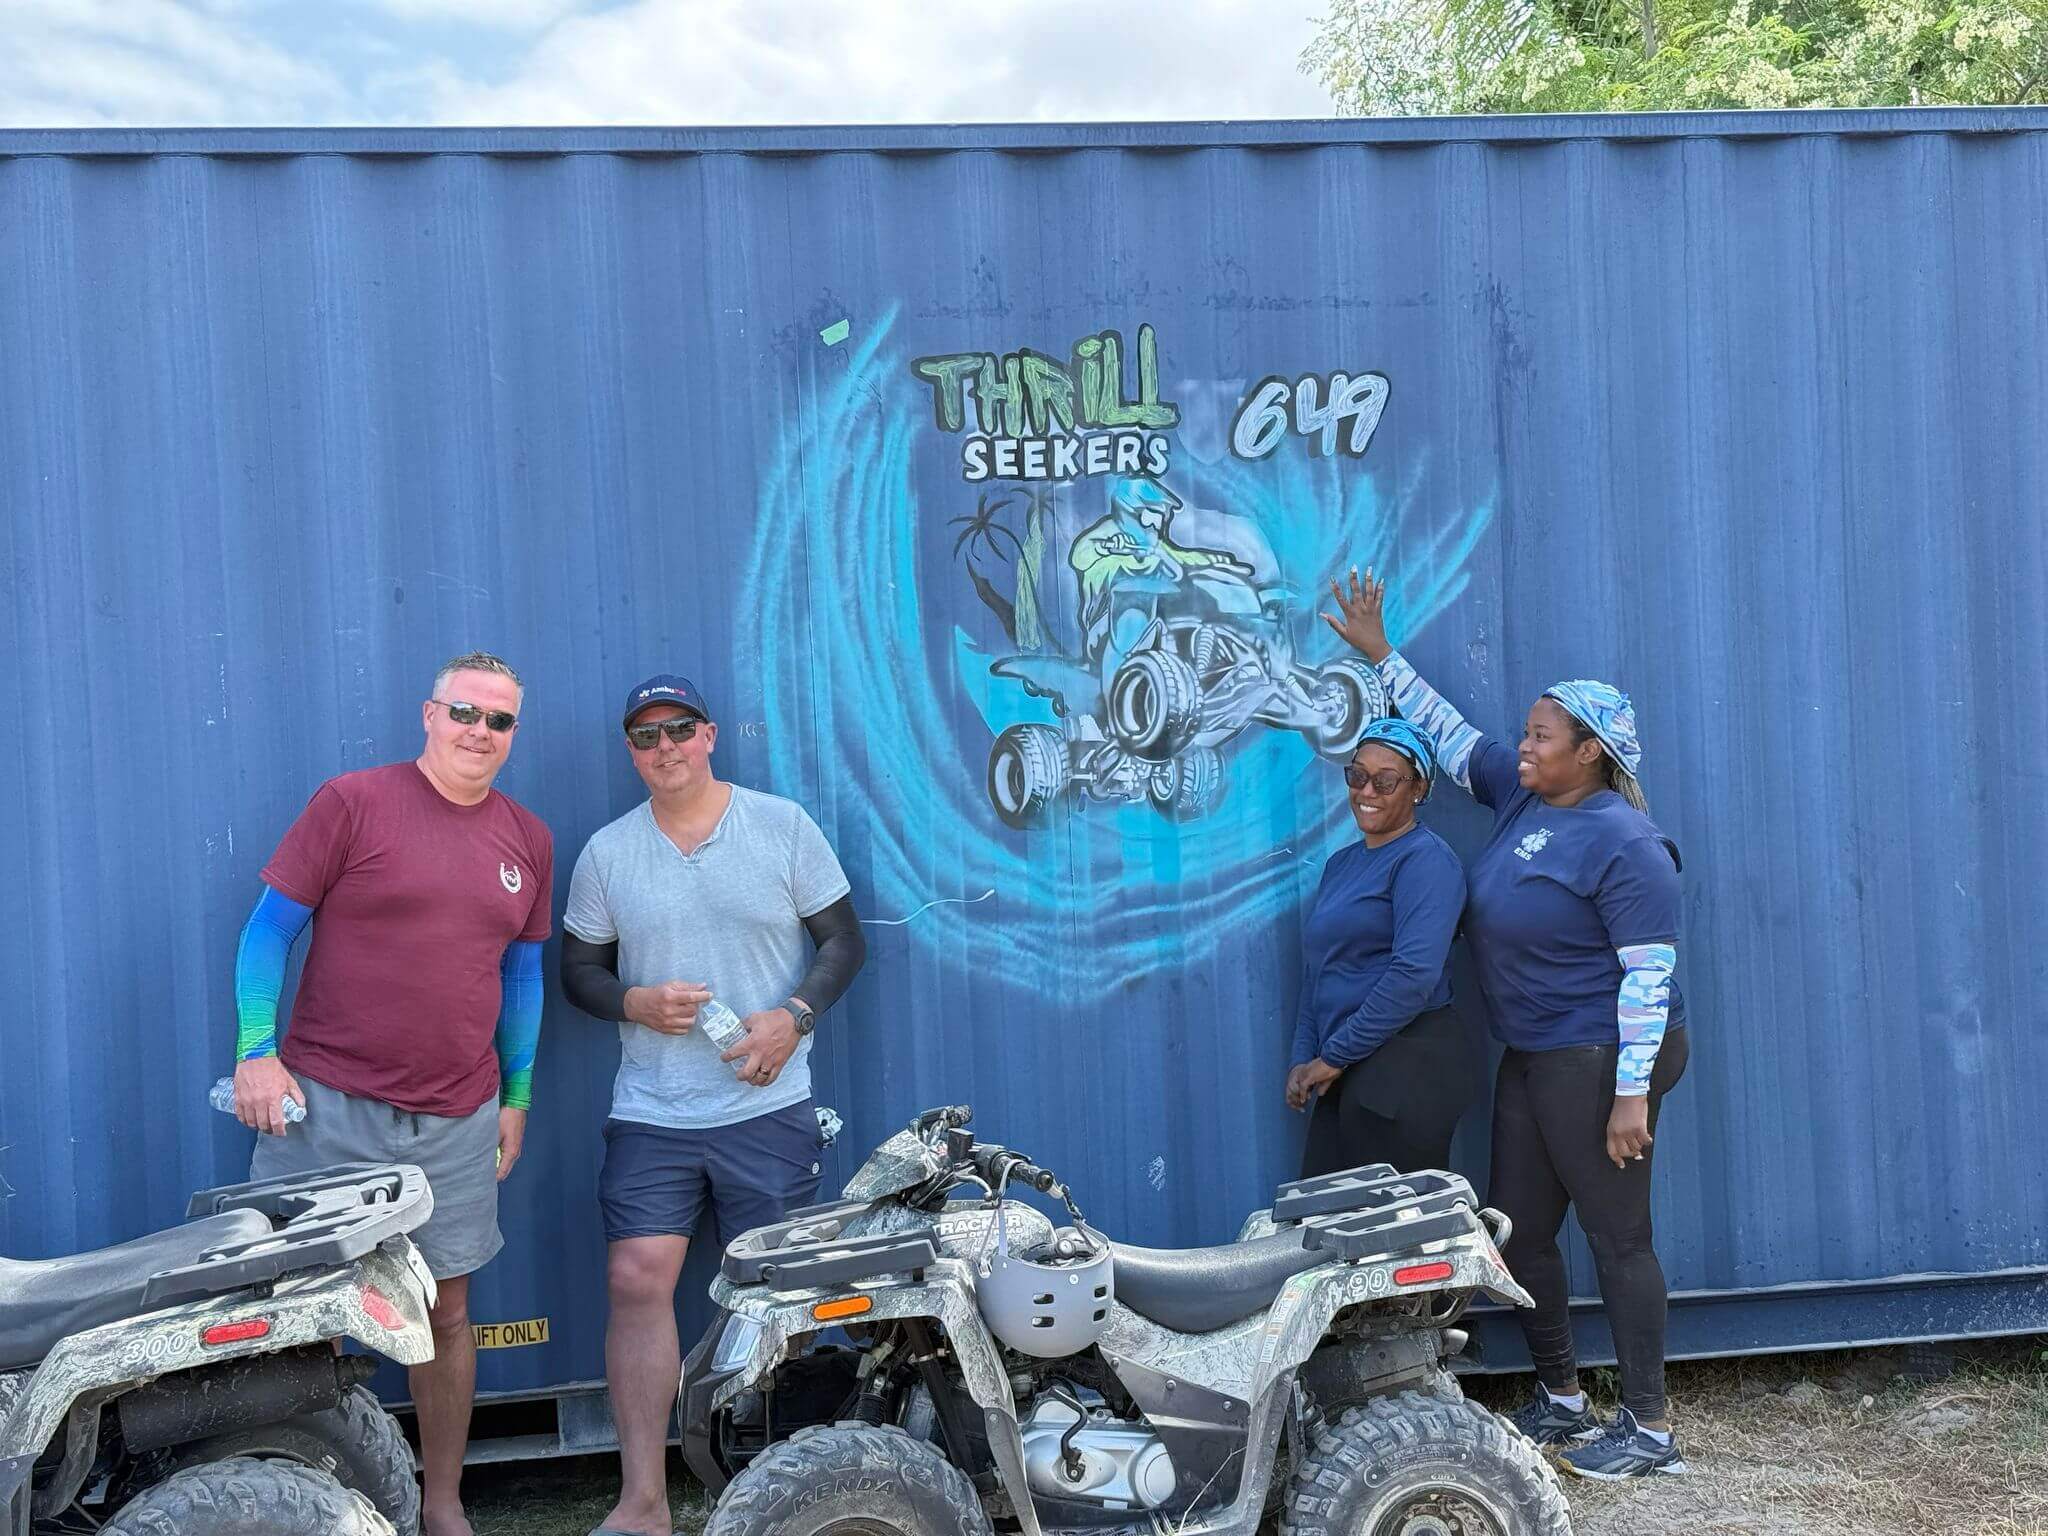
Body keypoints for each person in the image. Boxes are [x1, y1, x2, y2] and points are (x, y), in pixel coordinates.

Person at [1325, 569, 1691, 1481]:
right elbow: (1450, 739)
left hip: (1600, 1055)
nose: (1521, 746)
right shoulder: (1528, 799)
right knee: (1521, 1231)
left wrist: (1630, 1093)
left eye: (1540, 736)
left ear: (1591, 753)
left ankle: (1648, 1429)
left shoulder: (1623, 841)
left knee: (1618, 1236)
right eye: (1526, 733)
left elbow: (1650, 974)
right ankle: (1563, 1396)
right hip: (1534, 1053)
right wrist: (1379, 656)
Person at [230, 650, 553, 1536]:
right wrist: (257, 1051)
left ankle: (441, 1504)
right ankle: (305, 1503)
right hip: (328, 1106)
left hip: (457, 1117)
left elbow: (522, 982)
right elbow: (266, 935)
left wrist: (516, 1094)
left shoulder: (527, 838)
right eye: (464, 713)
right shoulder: (353, 803)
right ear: (428, 714)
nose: (479, 733)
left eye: (499, 721)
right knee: (308, 1314)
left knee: (447, 1312)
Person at [558, 674, 866, 1536]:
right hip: (654, 1108)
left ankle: (786, 1488)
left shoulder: (781, 826)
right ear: (632, 751)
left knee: (778, 1297)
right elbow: (576, 972)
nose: (665, 748)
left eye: (679, 730)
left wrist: (792, 1018)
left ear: (710, 735)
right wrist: (633, 1002)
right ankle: (643, 1501)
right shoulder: (608, 852)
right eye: (646, 737)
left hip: (767, 1103)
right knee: (635, 1279)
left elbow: (844, 939)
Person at [1287, 717, 1471, 1177]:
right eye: (1357, 775)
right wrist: (1304, 1056)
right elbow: (1321, 970)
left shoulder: (1425, 861)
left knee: (1393, 1234)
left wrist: (1331, 1057)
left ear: (1418, 788)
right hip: (1350, 1065)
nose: (1367, 791)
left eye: (1385, 781)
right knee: (1327, 1223)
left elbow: (1414, 977)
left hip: (1408, 1065)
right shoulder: (1342, 864)